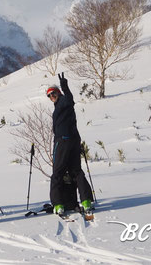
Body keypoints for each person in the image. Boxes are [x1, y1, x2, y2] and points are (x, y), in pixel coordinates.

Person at [47, 73, 93, 216]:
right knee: (76, 171)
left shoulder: (63, 101)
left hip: (63, 141)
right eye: (49, 95)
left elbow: (70, 99)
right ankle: (86, 201)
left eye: (53, 93)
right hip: (74, 141)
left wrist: (64, 86)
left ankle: (58, 204)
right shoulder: (60, 105)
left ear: (58, 93)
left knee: (57, 173)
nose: (51, 96)